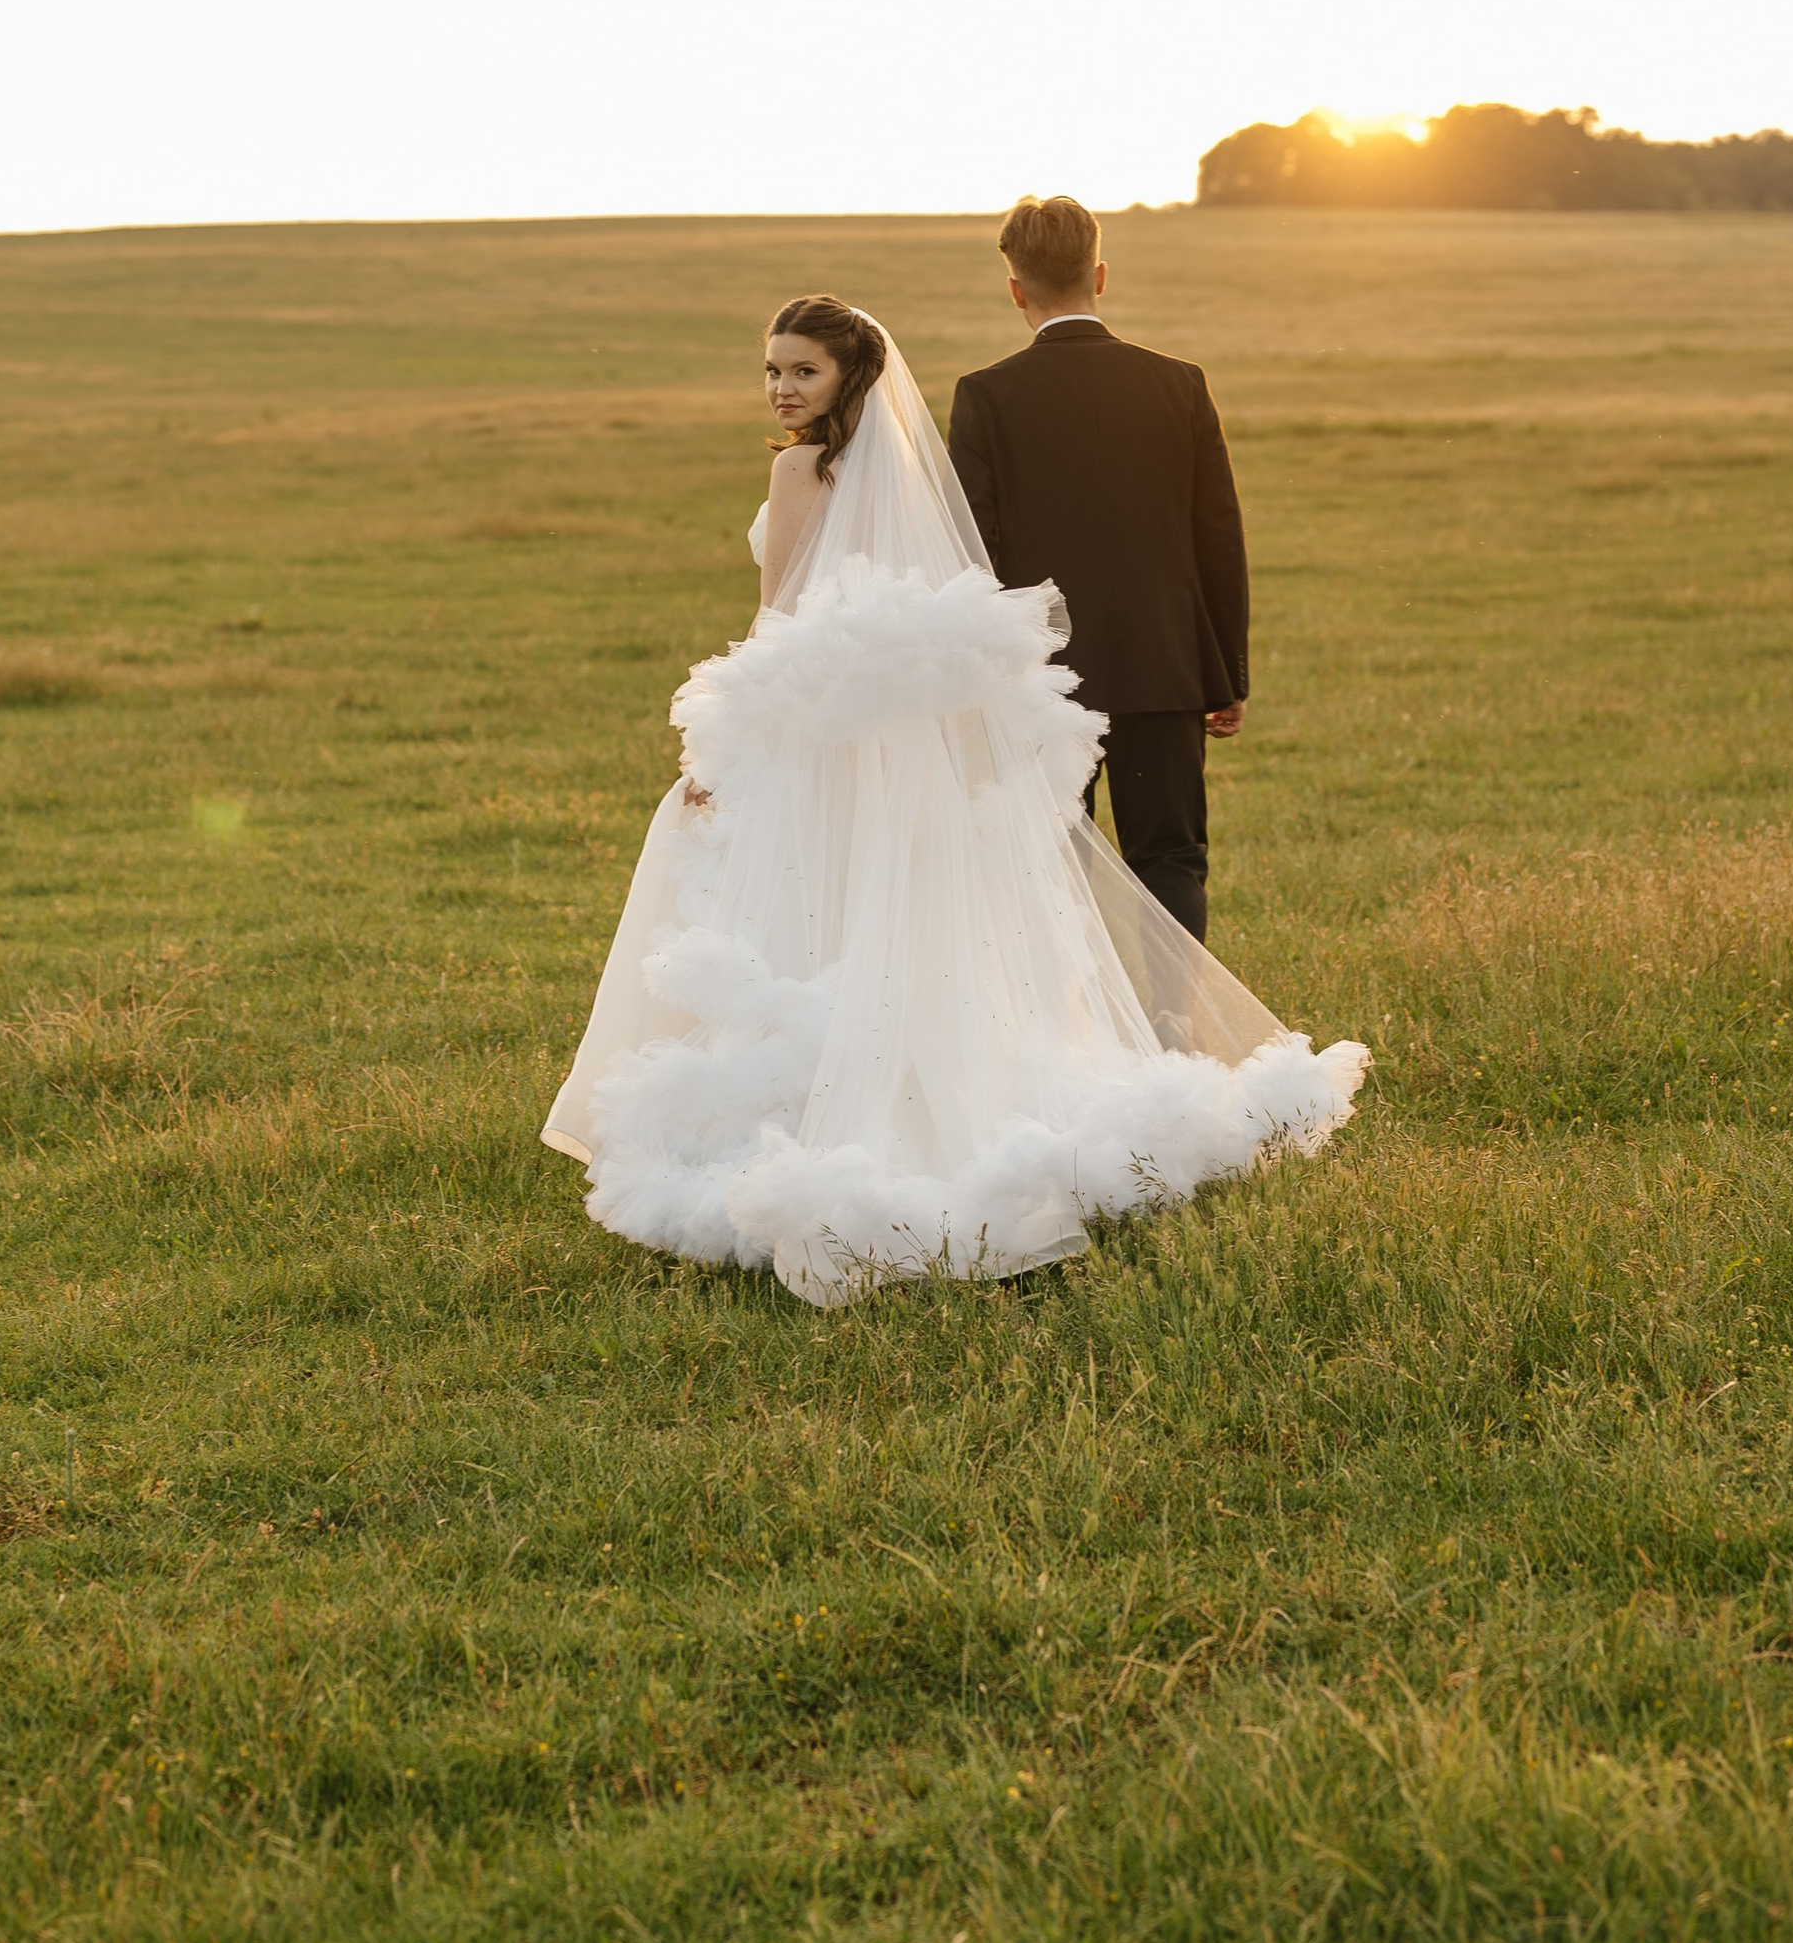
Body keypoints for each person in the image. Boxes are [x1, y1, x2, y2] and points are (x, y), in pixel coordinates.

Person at [541, 291, 1361, 1306]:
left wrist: (724, 741)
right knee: (887, 913)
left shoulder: (797, 468)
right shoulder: (900, 478)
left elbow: (779, 620)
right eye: (770, 370)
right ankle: (926, 1094)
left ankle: (823, 1114)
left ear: (848, 375)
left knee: (798, 904)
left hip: (812, 733)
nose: (781, 388)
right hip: (879, 742)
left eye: (801, 369)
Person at [946, 193, 1244, 942]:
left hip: (1043, 679)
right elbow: (1217, 536)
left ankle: (1074, 1041)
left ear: (1015, 289)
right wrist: (1225, 675)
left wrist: (981, 682)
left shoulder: (986, 397)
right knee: (1170, 858)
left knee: (1050, 858)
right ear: (1100, 275)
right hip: (1164, 667)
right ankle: (1175, 1027)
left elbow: (972, 552)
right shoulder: (1179, 383)